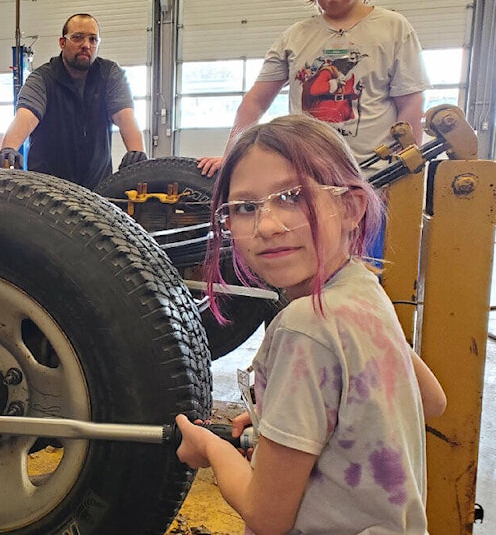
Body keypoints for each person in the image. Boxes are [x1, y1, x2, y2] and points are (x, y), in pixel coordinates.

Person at [175, 114, 445, 534]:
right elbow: (430, 401)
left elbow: (265, 517)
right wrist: (276, 423)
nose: (267, 225)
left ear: (350, 207)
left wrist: (209, 446)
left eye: (293, 196)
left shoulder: (305, 325)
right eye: (246, 207)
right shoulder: (363, 289)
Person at [198, 0, 430, 177]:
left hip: (373, 176)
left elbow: (411, 102)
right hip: (307, 175)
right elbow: (255, 100)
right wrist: (231, 155)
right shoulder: (295, 36)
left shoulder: (393, 27)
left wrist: (404, 168)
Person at [0, 13, 147, 189]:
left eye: (93, 39)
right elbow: (26, 116)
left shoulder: (109, 75)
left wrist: (137, 153)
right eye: (77, 38)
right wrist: (9, 148)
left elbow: (125, 116)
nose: (86, 45)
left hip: (97, 189)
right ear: (62, 43)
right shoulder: (42, 78)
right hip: (47, 193)